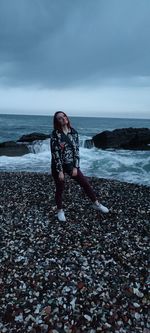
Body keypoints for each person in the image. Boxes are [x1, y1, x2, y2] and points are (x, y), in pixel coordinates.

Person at [50, 111, 109, 222]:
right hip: (58, 166)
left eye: (64, 116)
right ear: (57, 121)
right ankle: (60, 211)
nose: (63, 118)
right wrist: (60, 171)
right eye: (59, 118)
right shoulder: (55, 134)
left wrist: (75, 167)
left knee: (85, 183)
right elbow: (55, 153)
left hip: (71, 164)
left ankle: (96, 203)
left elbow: (76, 151)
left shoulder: (74, 132)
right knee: (60, 188)